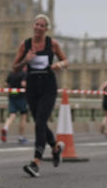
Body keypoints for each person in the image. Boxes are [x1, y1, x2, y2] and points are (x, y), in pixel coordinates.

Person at [11, 14, 68, 177]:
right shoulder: (26, 45)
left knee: (40, 122)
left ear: (46, 29)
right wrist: (25, 60)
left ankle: (36, 162)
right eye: (36, 24)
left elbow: (66, 61)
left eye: (42, 25)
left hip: (48, 86)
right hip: (32, 87)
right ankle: (56, 147)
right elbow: (14, 68)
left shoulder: (52, 44)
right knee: (39, 122)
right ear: (33, 26)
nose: (38, 27)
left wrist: (59, 64)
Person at [1, 68, 30, 144]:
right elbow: (23, 84)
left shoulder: (11, 73)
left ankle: (5, 128)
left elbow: (6, 84)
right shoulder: (24, 74)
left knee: (12, 115)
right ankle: (21, 137)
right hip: (21, 97)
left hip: (12, 96)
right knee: (23, 116)